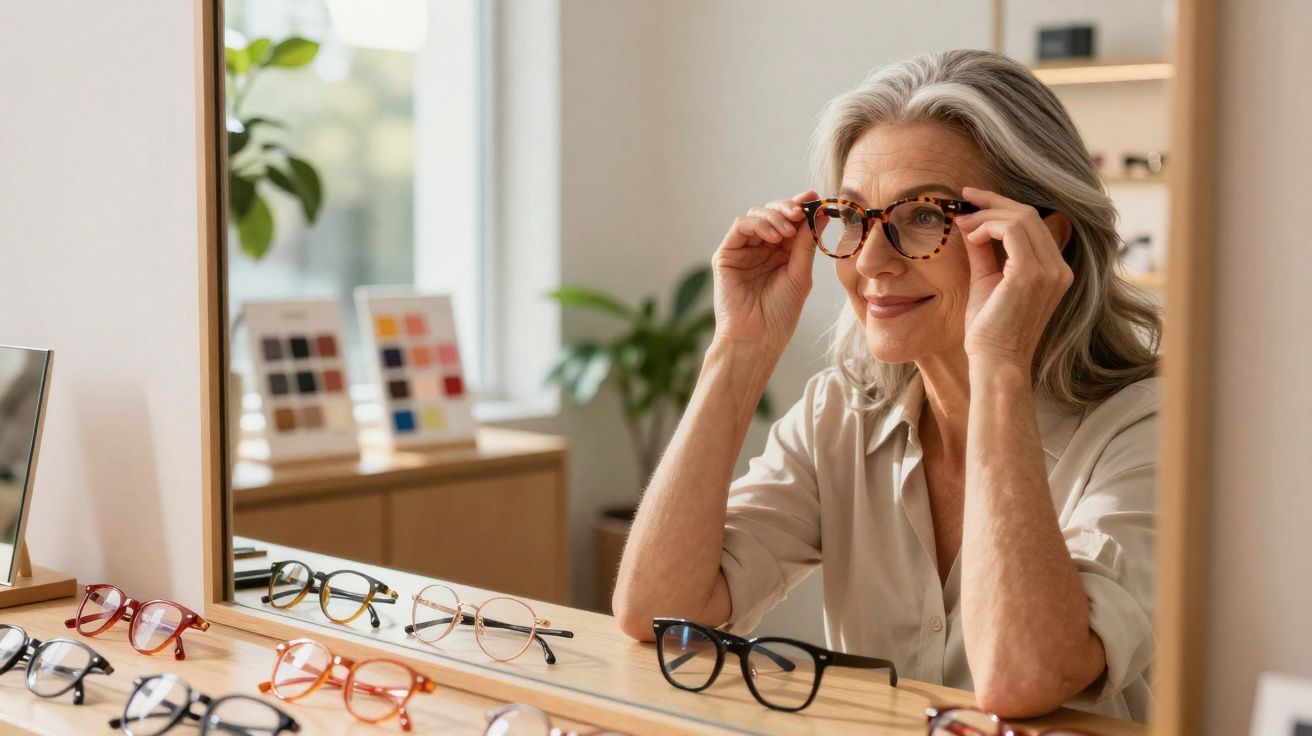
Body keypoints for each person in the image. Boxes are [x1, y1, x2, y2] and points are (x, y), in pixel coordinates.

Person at [611, 49, 1160, 723]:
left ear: (1042, 239)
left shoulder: (1148, 429)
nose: (871, 260)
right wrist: (739, 348)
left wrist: (998, 367)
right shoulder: (842, 414)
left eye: (925, 215)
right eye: (853, 216)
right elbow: (660, 610)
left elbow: (1025, 679)